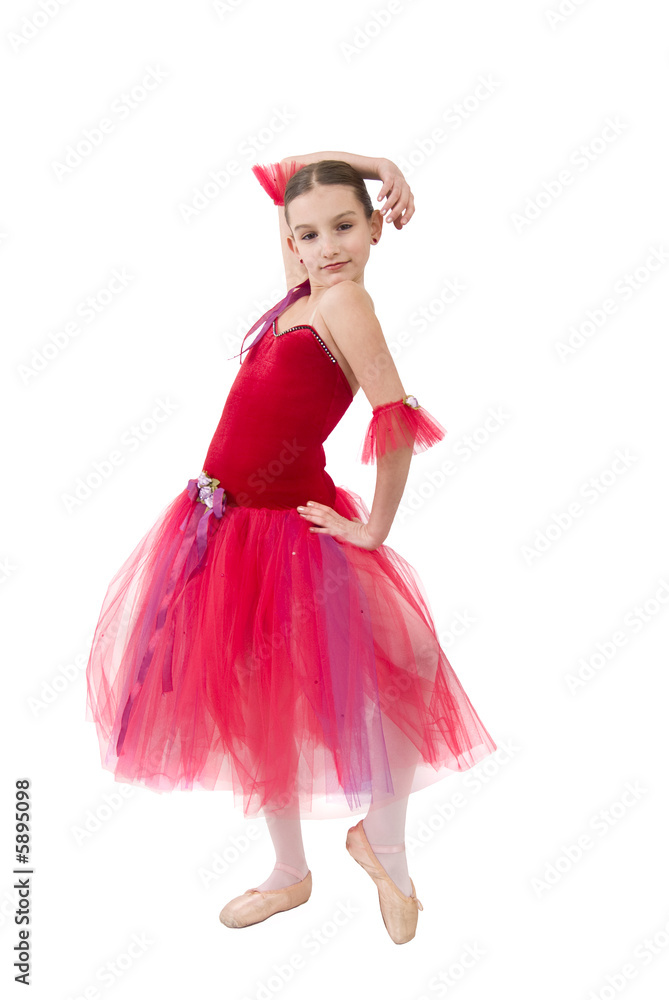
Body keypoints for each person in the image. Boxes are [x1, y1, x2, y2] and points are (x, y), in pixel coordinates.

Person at [85, 150, 498, 944]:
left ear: (375, 228)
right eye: (308, 233)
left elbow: (394, 421)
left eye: (344, 226)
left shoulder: (344, 301)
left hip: (288, 527)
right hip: (223, 523)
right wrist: (376, 163)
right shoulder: (302, 289)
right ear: (291, 240)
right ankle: (289, 873)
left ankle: (383, 846)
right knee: (260, 697)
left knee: (401, 668)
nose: (326, 244)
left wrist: (374, 529)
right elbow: (284, 179)